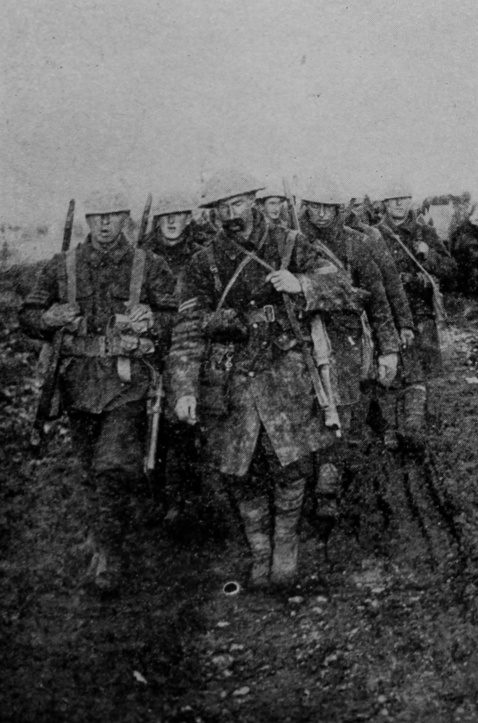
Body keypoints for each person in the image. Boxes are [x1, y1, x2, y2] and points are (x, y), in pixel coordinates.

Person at [169, 169, 360, 588]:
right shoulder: (203, 262)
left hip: (285, 372)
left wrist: (301, 283)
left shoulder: (290, 243)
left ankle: (285, 547)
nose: (230, 214)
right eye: (221, 208)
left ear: (254, 202)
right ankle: (259, 550)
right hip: (230, 376)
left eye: (237, 203)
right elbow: (186, 330)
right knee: (239, 469)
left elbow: (344, 287)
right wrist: (183, 389)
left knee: (290, 464)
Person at [20, 189, 178, 592]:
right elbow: (28, 315)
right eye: (97, 217)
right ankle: (104, 532)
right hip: (78, 383)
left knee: (112, 466)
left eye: (112, 215)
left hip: (127, 383)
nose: (105, 224)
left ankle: (110, 554)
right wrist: (49, 317)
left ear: (125, 217)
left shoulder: (149, 265)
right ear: (87, 221)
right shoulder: (63, 265)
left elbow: (175, 317)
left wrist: (151, 320)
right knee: (92, 468)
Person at [297, 174, 402, 518]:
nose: (321, 213)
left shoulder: (357, 244)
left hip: (346, 338)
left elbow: (379, 301)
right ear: (305, 207)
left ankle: (330, 480)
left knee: (343, 410)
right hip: (302, 337)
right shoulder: (292, 242)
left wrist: (389, 349)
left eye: (328, 207)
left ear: (338, 208)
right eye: (315, 206)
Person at [141, 191, 211, 526]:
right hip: (150, 351)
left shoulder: (201, 256)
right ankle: (154, 495)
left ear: (188, 218)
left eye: (178, 214)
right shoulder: (141, 257)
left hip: (190, 349)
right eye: (164, 215)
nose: (171, 221)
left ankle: (186, 499)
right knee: (148, 426)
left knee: (187, 427)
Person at [373, 181, 456, 447]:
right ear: (385, 203)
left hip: (420, 312)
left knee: (421, 369)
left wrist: (428, 256)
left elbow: (451, 269)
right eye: (393, 199)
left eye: (403, 198)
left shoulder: (424, 232)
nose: (399, 203)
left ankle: (413, 425)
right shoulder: (373, 234)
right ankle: (389, 425)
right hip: (386, 314)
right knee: (388, 369)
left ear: (410, 201)